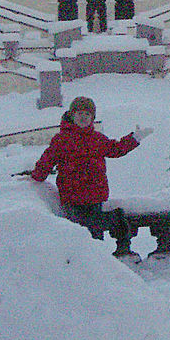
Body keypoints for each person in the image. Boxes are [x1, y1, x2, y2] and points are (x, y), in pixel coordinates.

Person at [31, 96, 152, 239]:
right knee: (77, 235)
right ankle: (114, 218)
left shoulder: (97, 139)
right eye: (79, 113)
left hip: (95, 195)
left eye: (87, 114)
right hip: (72, 196)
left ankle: (102, 245)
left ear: (92, 118)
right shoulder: (62, 139)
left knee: (95, 239)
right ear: (72, 115)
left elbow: (116, 149)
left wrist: (134, 138)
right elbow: (47, 160)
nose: (83, 117)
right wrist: (36, 176)